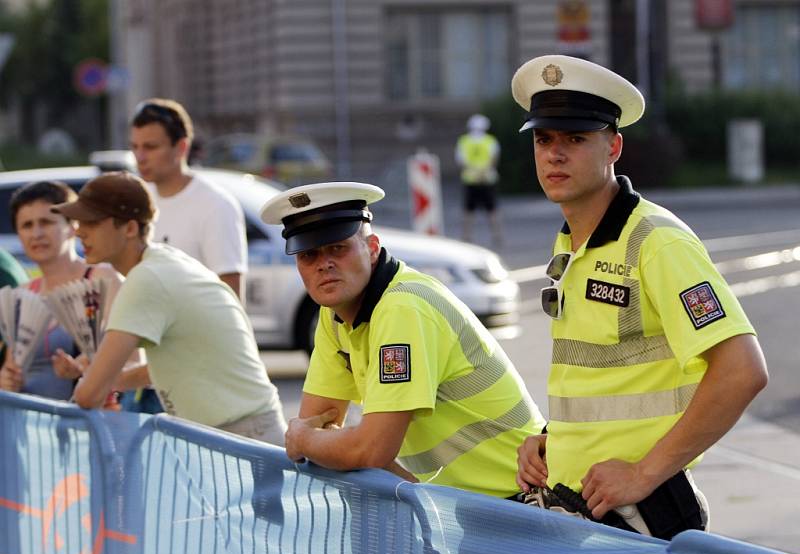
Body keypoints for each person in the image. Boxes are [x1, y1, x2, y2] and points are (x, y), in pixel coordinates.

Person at [511, 55, 768, 538]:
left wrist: (645, 473)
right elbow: (604, 380)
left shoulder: (656, 241)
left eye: (575, 139)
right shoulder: (570, 239)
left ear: (614, 147)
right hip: (577, 511)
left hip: (637, 521)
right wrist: (553, 441)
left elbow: (742, 371)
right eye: (544, 140)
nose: (554, 154)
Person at [261, 182, 546, 498]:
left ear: (371, 248)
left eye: (338, 248)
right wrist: (329, 444)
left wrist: (306, 441)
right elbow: (321, 422)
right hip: (469, 506)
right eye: (308, 254)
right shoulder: (335, 314)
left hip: (520, 501)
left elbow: (367, 448)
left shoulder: (403, 308)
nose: (324, 264)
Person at [52, 171, 286, 444]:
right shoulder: (163, 262)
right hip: (246, 430)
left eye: (91, 222)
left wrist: (92, 383)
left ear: (129, 228)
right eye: (78, 221)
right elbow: (175, 363)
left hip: (240, 433)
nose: (79, 231)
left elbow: (88, 395)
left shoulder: (147, 278)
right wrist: (104, 380)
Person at [0, 181, 124, 400]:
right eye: (26, 225)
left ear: (73, 227)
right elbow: (10, 371)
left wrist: (87, 371)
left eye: (46, 222)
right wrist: (7, 380)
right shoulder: (20, 295)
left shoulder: (103, 279)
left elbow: (133, 360)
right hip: (29, 426)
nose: (36, 233)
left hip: (92, 426)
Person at [129, 98, 247, 301]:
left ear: (182, 147)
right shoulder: (136, 199)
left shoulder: (216, 205)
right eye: (135, 146)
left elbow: (231, 296)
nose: (140, 156)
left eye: (150, 147)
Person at [455, 114, 501, 247]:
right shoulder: (490, 140)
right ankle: (497, 236)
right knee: (492, 209)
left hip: (470, 179)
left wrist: (473, 171)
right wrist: (484, 172)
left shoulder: (464, 141)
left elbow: (460, 161)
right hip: (488, 179)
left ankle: (466, 236)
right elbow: (494, 159)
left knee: (468, 209)